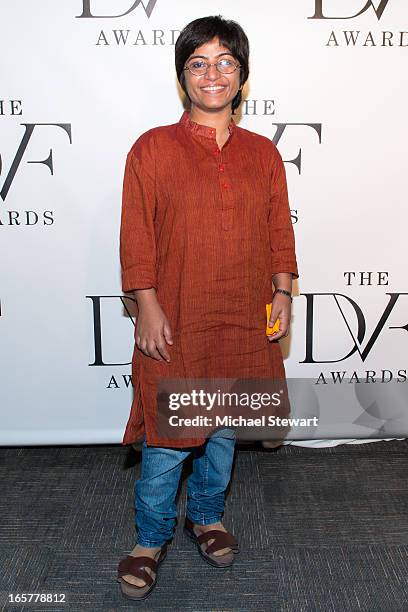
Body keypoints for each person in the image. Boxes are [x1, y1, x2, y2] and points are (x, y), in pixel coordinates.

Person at [117, 15, 299, 601]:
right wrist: (145, 303)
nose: (212, 74)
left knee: (222, 431)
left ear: (242, 78)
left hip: (244, 316)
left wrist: (283, 292)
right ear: (182, 77)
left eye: (226, 62)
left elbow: (279, 232)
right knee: (169, 443)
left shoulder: (263, 153)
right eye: (198, 63)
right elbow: (136, 236)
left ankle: (208, 516)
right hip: (179, 316)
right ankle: (150, 538)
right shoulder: (152, 149)